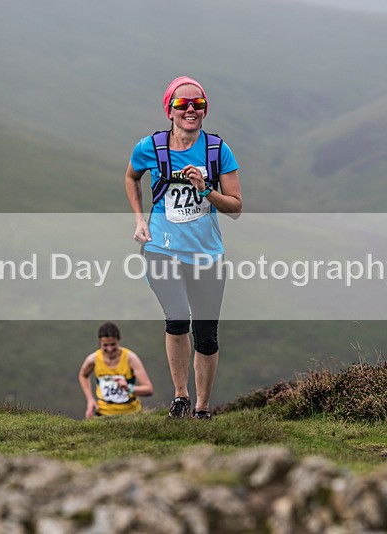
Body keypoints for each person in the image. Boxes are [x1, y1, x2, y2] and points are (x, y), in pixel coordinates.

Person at [125, 76, 242, 419]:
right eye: (182, 104)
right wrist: (139, 219)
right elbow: (132, 177)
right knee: (177, 319)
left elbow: (235, 208)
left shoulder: (218, 150)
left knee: (206, 335)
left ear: (205, 111)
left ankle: (203, 408)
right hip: (161, 248)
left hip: (207, 254)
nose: (190, 109)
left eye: (197, 104)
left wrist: (205, 190)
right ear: (170, 111)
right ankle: (180, 398)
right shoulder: (150, 147)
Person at [78, 322, 154, 419]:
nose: (109, 349)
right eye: (105, 345)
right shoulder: (93, 359)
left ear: (119, 341)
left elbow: (149, 389)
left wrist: (129, 388)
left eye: (113, 344)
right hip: (103, 414)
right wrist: (90, 399)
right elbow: (83, 375)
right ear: (99, 343)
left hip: (131, 414)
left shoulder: (130, 358)